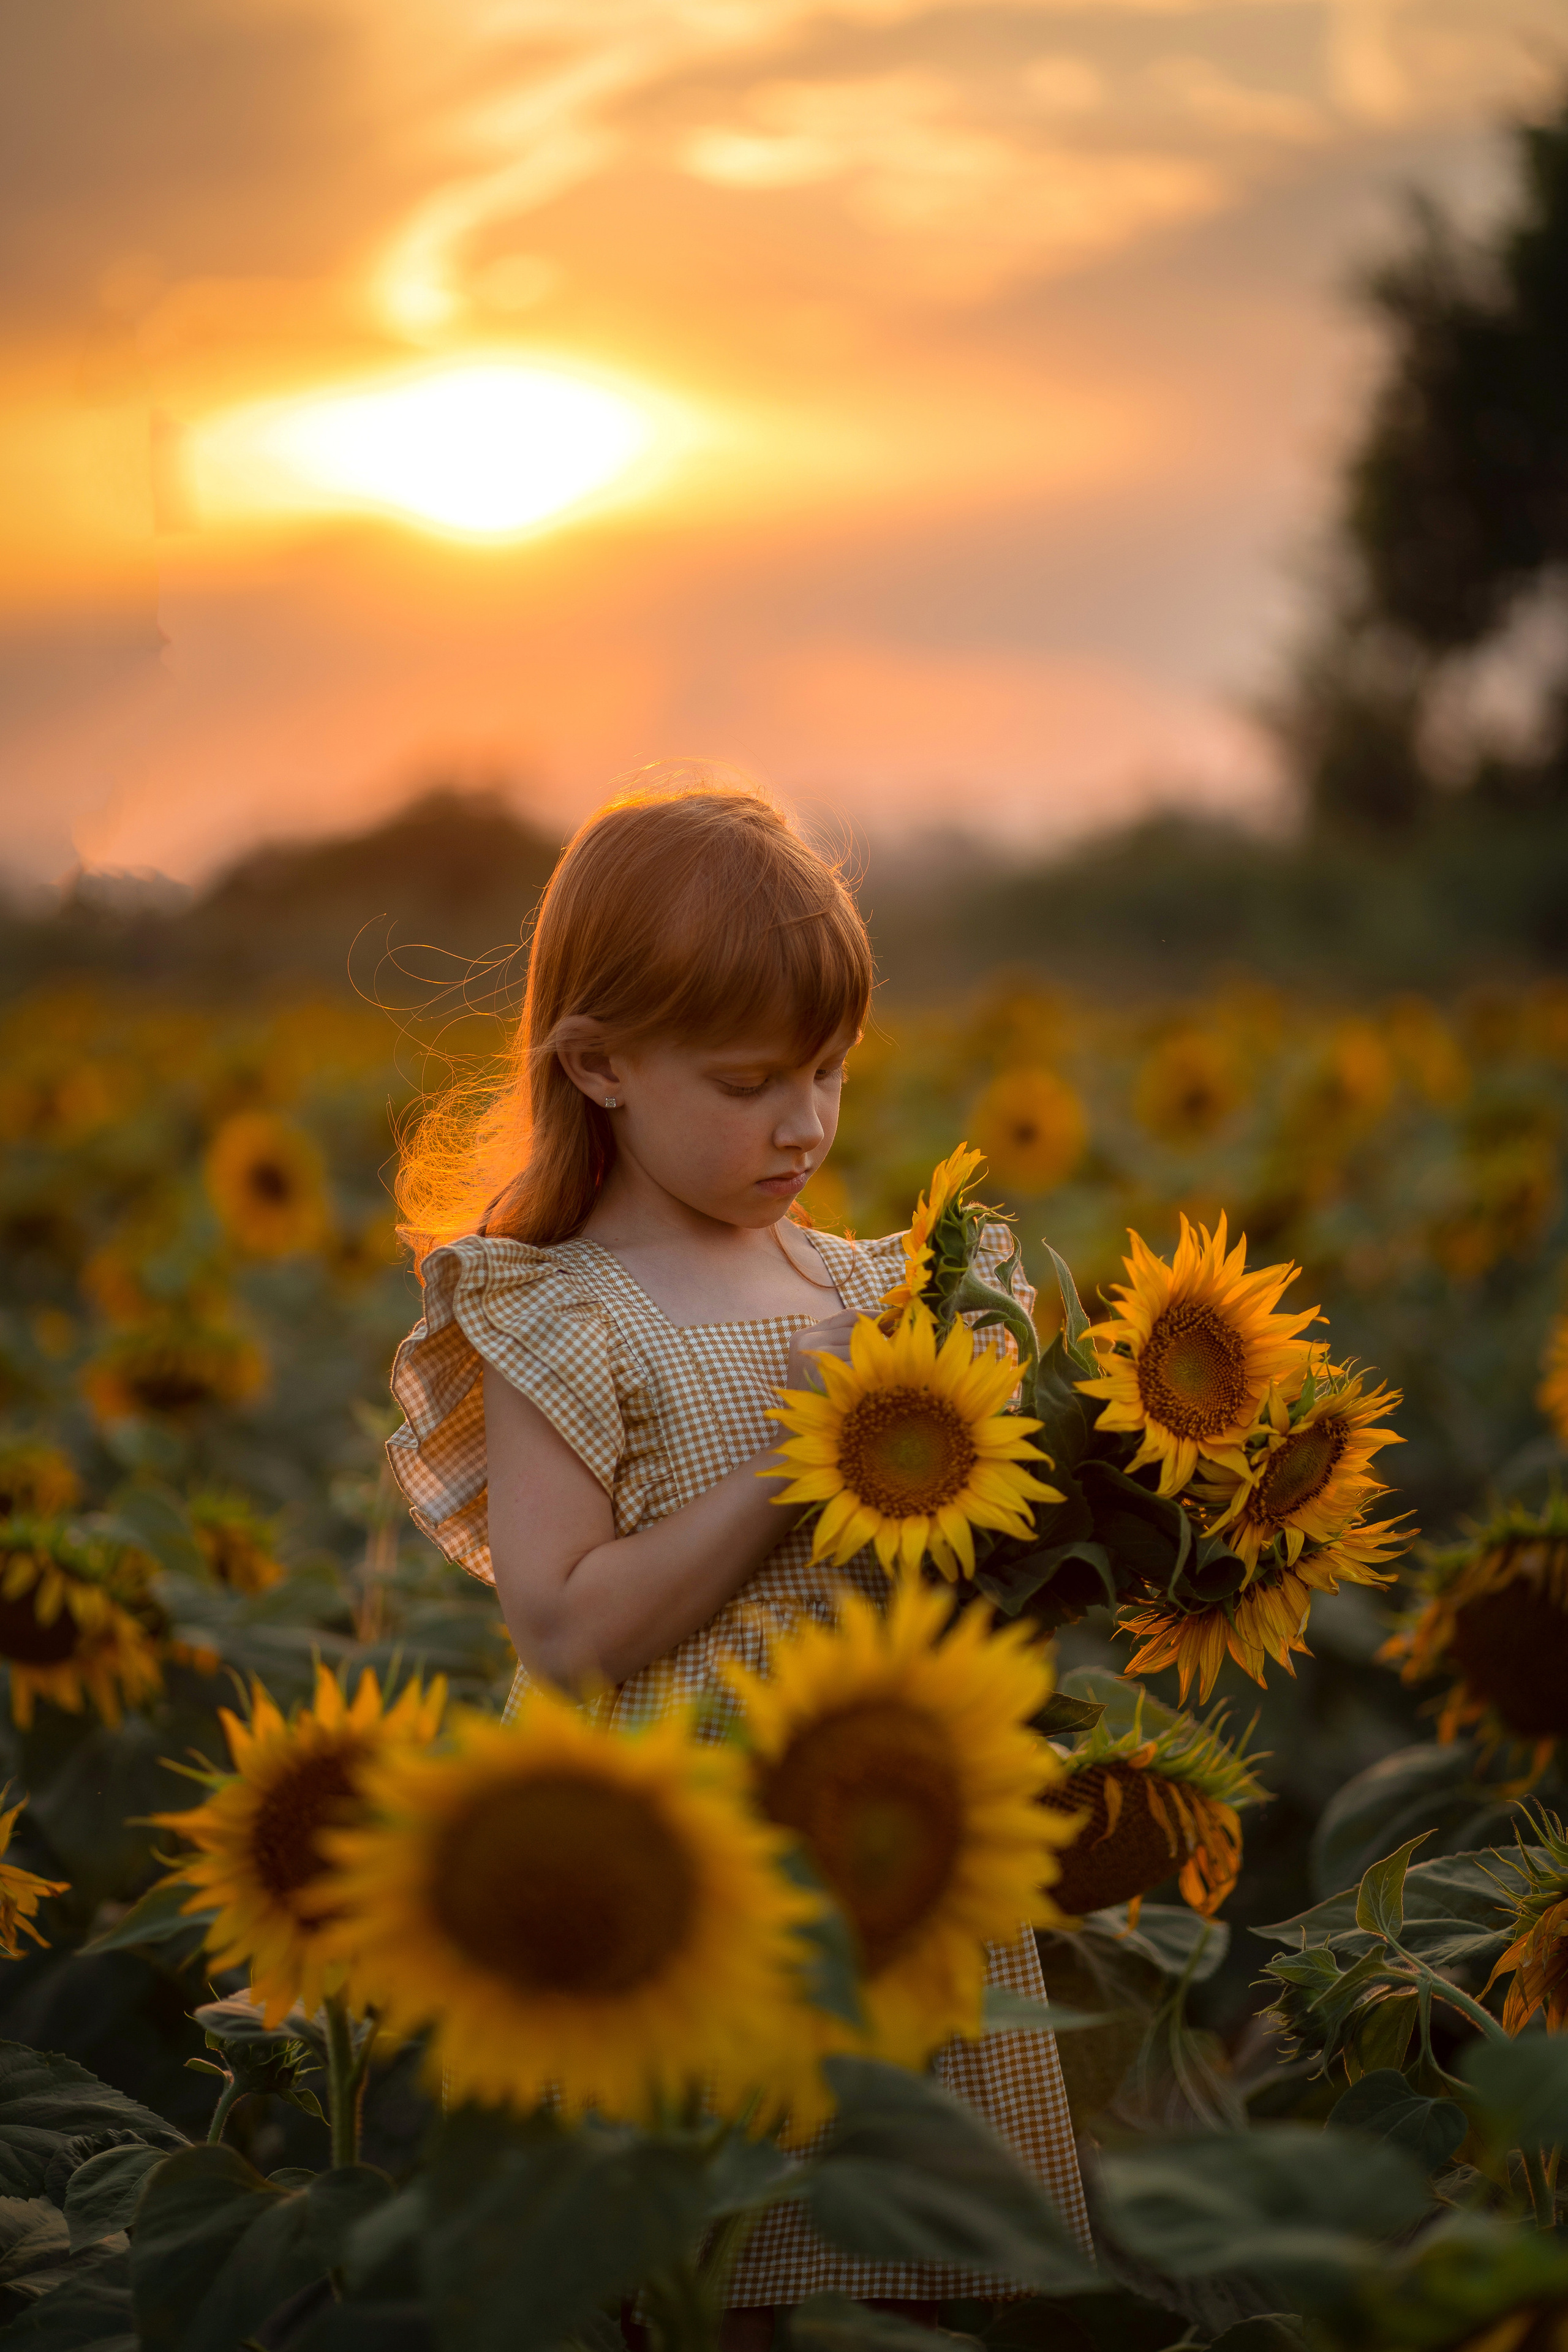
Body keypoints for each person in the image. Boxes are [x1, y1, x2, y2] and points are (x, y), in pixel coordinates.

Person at [385, 774, 1091, 2342]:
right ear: (599, 1067)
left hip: (886, 1849)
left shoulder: (867, 1280)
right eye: (751, 1079)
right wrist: (803, 1445)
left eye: (831, 1071)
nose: (807, 1123)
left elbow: (954, 1564)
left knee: (896, 2261)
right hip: (676, 1868)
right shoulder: (556, 1309)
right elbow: (562, 1631)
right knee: (700, 2273)